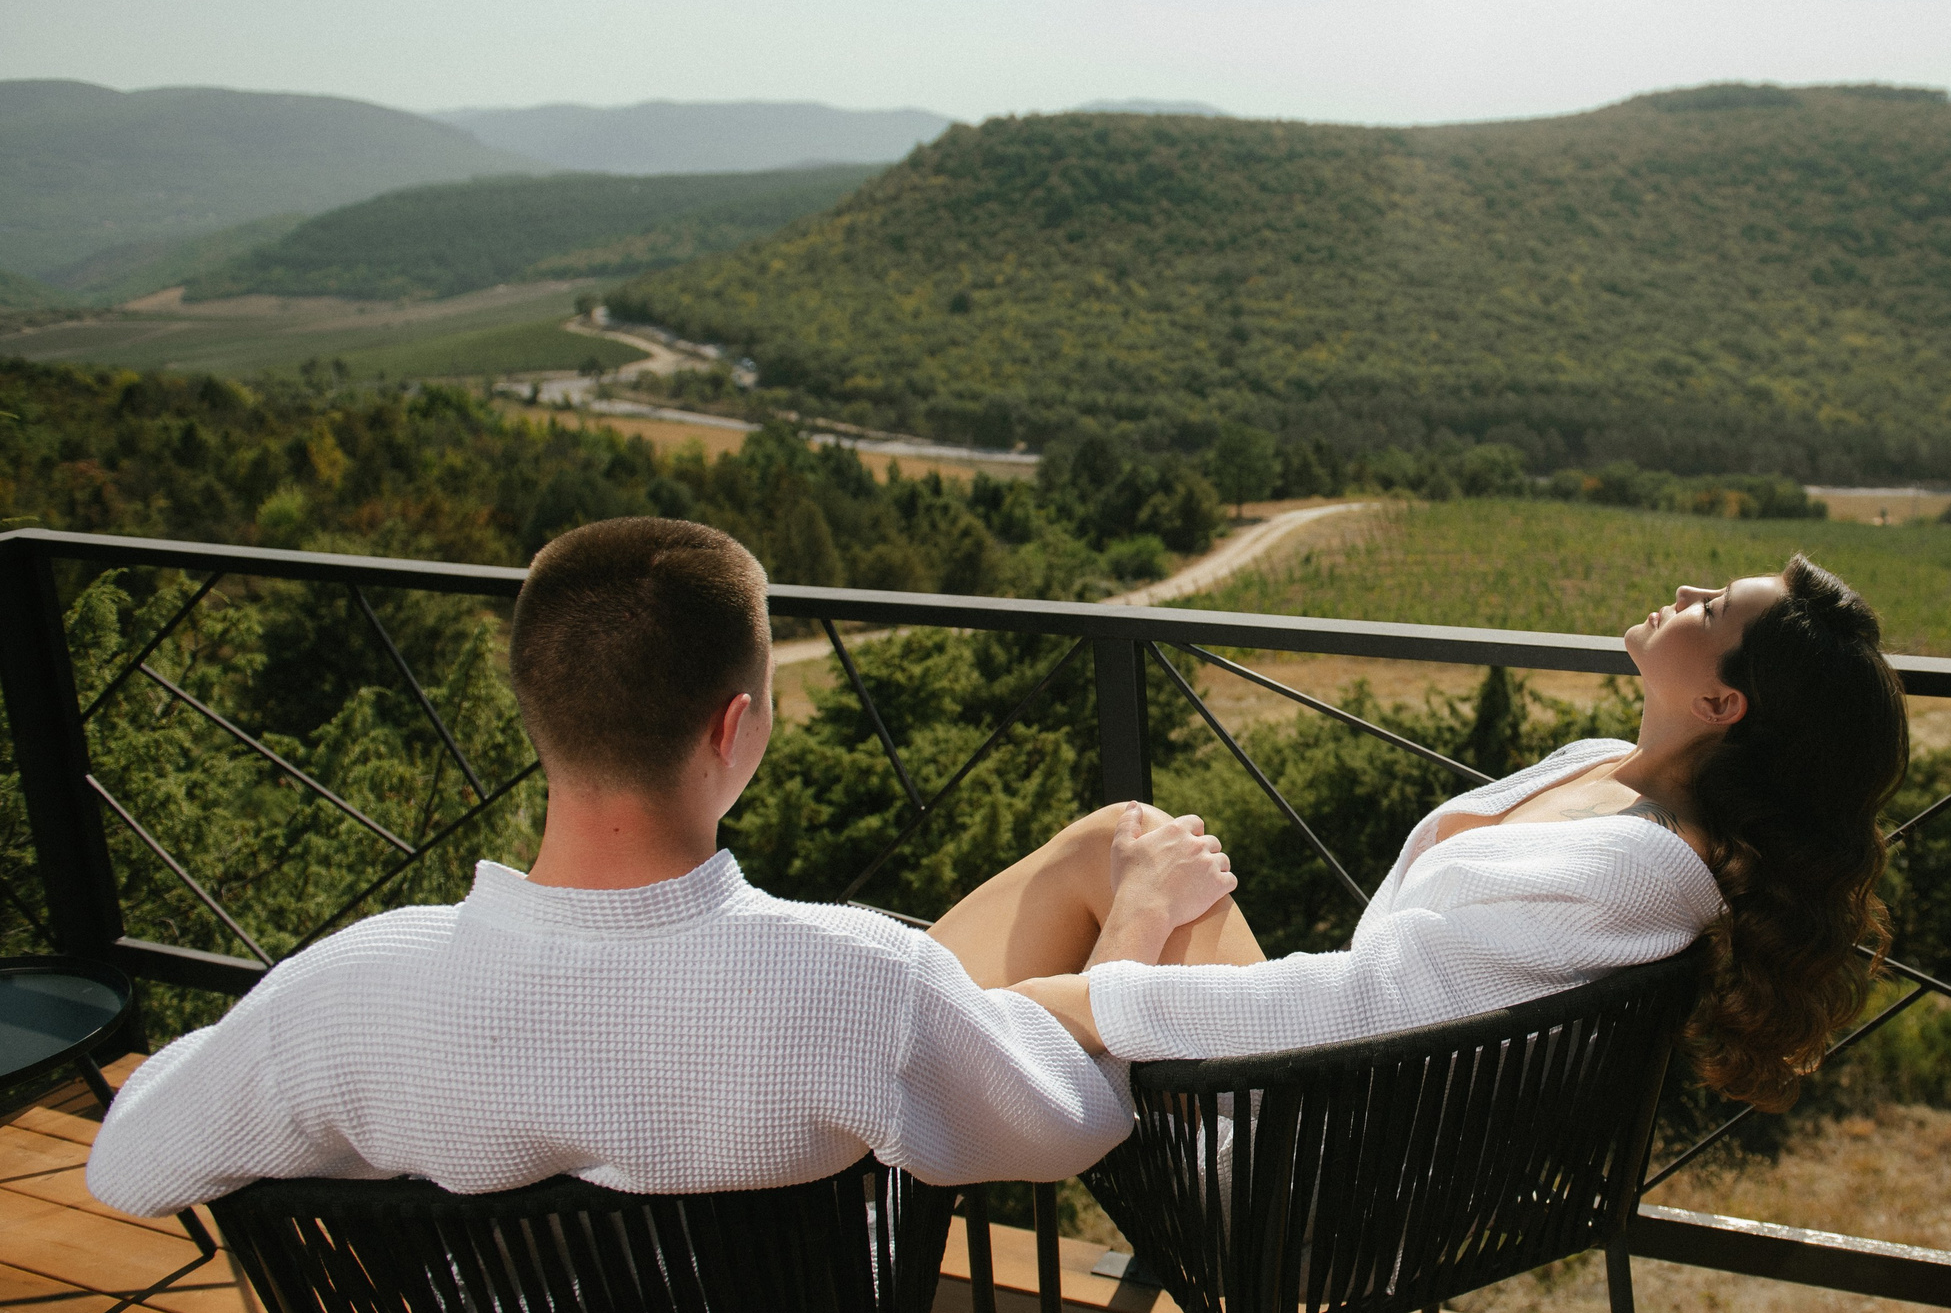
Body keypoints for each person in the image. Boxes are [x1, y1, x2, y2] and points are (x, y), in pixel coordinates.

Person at [86, 517, 1233, 1216]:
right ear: (734, 730)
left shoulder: (339, 998)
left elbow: (128, 1165)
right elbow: (1072, 1124)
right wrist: (1132, 926)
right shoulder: (856, 982)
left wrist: (230, 1058)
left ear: (535, 712)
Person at [945, 553, 1908, 1113]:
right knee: (1129, 844)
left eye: (1714, 607)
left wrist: (1092, 997)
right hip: (1336, 1087)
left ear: (1719, 700)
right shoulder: (1601, 766)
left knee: (1117, 852)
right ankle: (921, 1063)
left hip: (1305, 1155)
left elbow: (1377, 1003)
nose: (1690, 590)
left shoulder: (1637, 865)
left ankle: (907, 1081)